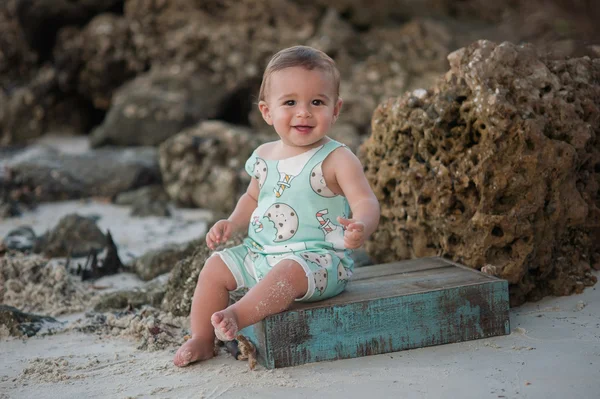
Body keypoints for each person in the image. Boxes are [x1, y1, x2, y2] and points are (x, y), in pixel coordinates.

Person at [173, 45, 380, 367]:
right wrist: (232, 222)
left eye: (317, 102)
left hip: (318, 262)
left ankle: (237, 315)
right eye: (290, 102)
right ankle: (201, 337)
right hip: (261, 253)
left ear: (336, 109)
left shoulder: (337, 158)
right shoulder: (264, 155)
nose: (304, 112)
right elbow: (253, 198)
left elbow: (365, 200)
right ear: (267, 111)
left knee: (288, 271)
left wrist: (361, 226)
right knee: (214, 267)